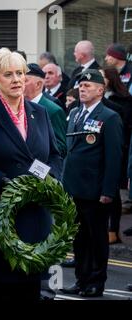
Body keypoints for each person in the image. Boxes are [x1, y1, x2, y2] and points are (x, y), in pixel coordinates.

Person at [0, 48, 62, 301]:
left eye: (20, 73)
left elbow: (56, 156)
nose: (17, 79)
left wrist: (47, 180)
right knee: (0, 290)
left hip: (36, 217)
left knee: (31, 290)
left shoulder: (40, 114)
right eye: (9, 74)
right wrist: (3, 182)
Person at [61, 69, 123, 298]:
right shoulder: (75, 113)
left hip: (95, 191)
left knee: (97, 240)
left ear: (100, 89)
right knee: (79, 240)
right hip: (74, 188)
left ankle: (96, 282)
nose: (83, 89)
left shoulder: (109, 117)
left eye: (88, 86)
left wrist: (108, 190)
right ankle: (81, 280)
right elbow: (70, 151)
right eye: (81, 86)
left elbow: (114, 157)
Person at [100, 66, 132, 244]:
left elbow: (125, 127)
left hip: (120, 149)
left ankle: (113, 229)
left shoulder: (123, 101)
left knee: (114, 192)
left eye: (102, 76)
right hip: (99, 152)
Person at [24, 63, 67, 158]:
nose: (20, 84)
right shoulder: (18, 106)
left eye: (25, 81)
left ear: (38, 84)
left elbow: (61, 147)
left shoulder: (53, 110)